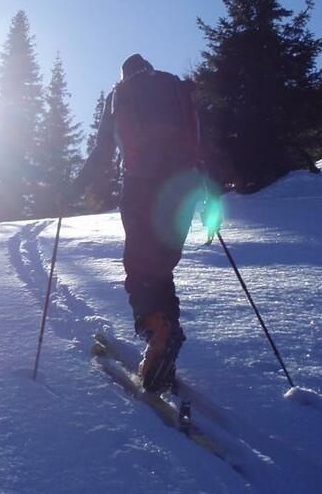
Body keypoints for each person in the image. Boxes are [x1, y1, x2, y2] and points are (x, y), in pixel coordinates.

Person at [72, 53, 205, 393]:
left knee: (139, 268)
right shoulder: (176, 91)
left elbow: (103, 150)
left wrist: (74, 187)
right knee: (160, 269)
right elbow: (202, 140)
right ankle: (164, 340)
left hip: (142, 184)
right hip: (183, 187)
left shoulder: (121, 94)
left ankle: (158, 330)